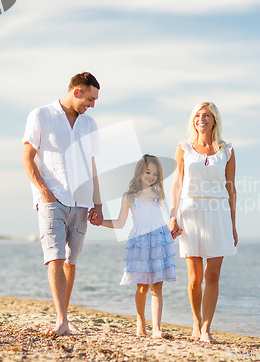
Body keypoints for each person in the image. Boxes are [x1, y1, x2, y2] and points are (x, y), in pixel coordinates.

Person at [22, 72, 103, 336]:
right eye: (90, 99)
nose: (92, 105)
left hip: (81, 202)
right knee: (54, 258)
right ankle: (61, 320)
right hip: (52, 199)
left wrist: (98, 203)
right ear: (77, 92)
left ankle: (65, 317)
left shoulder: (90, 125)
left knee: (71, 261)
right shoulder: (41, 115)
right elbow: (27, 157)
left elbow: (92, 166)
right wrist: (44, 191)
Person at [169, 101, 238, 343]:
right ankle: (196, 323)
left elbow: (231, 189)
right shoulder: (184, 148)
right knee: (194, 278)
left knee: (213, 275)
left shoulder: (226, 150)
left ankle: (207, 328)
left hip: (217, 211)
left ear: (214, 120)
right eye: (198, 115)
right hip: (191, 210)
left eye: (207, 115)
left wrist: (233, 224)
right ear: (193, 120)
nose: (202, 119)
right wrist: (173, 216)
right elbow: (177, 184)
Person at [95, 154, 176, 338]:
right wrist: (100, 222)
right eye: (148, 172)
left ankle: (156, 328)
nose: (151, 177)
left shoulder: (158, 194)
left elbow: (164, 218)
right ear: (140, 172)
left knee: (157, 286)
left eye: (155, 174)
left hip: (158, 240)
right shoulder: (129, 196)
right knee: (142, 287)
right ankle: (141, 321)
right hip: (141, 242)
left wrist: (173, 227)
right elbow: (120, 223)